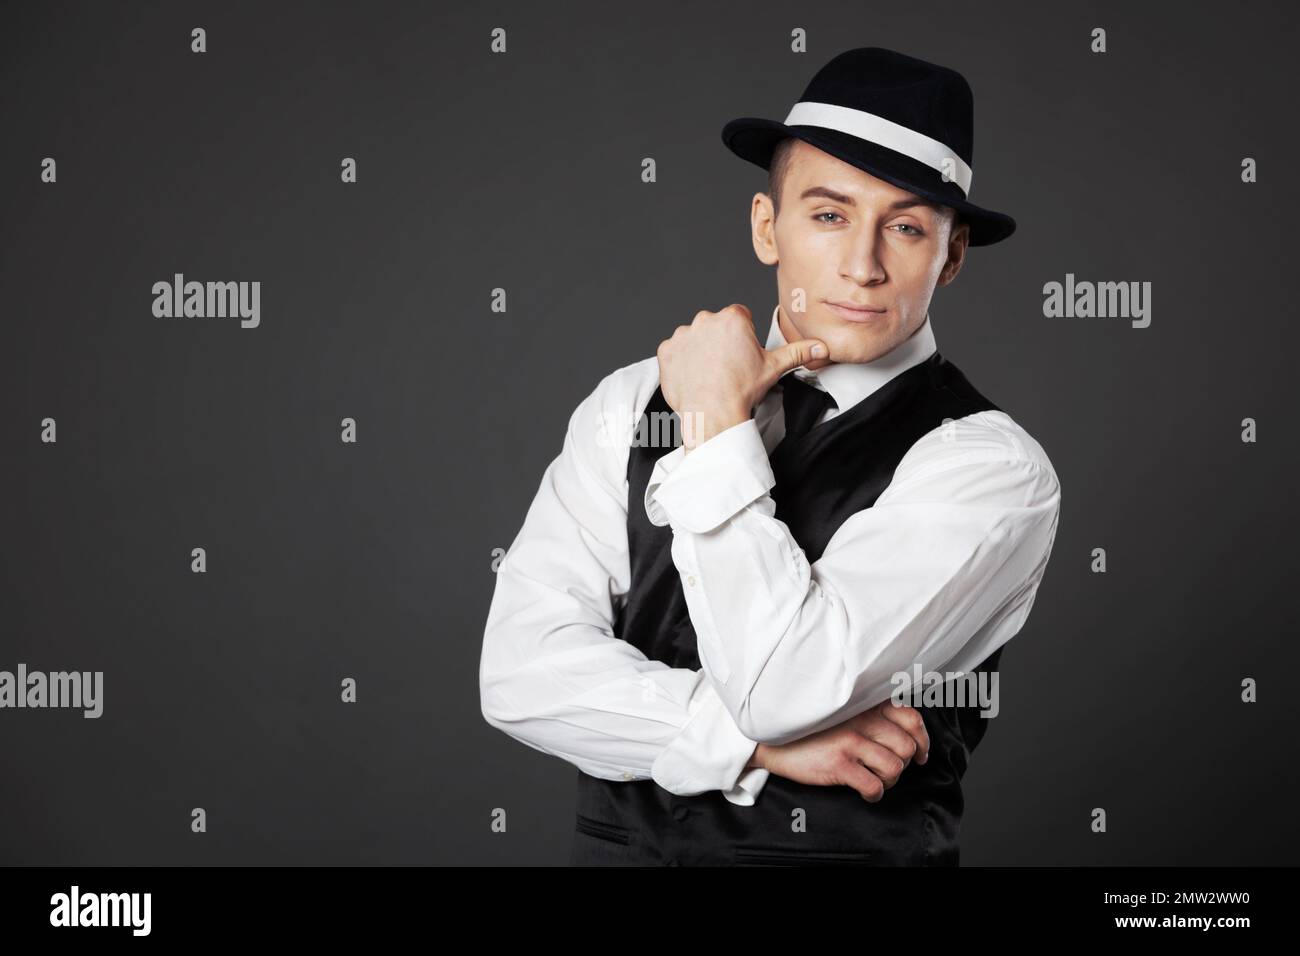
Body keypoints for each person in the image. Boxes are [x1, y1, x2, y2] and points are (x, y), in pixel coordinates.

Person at [479, 47, 1061, 866]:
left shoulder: (990, 467)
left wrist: (716, 425)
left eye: (904, 226)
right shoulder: (630, 402)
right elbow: (517, 675)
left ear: (951, 255)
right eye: (828, 215)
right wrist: (750, 745)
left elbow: (782, 686)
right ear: (766, 227)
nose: (862, 265)